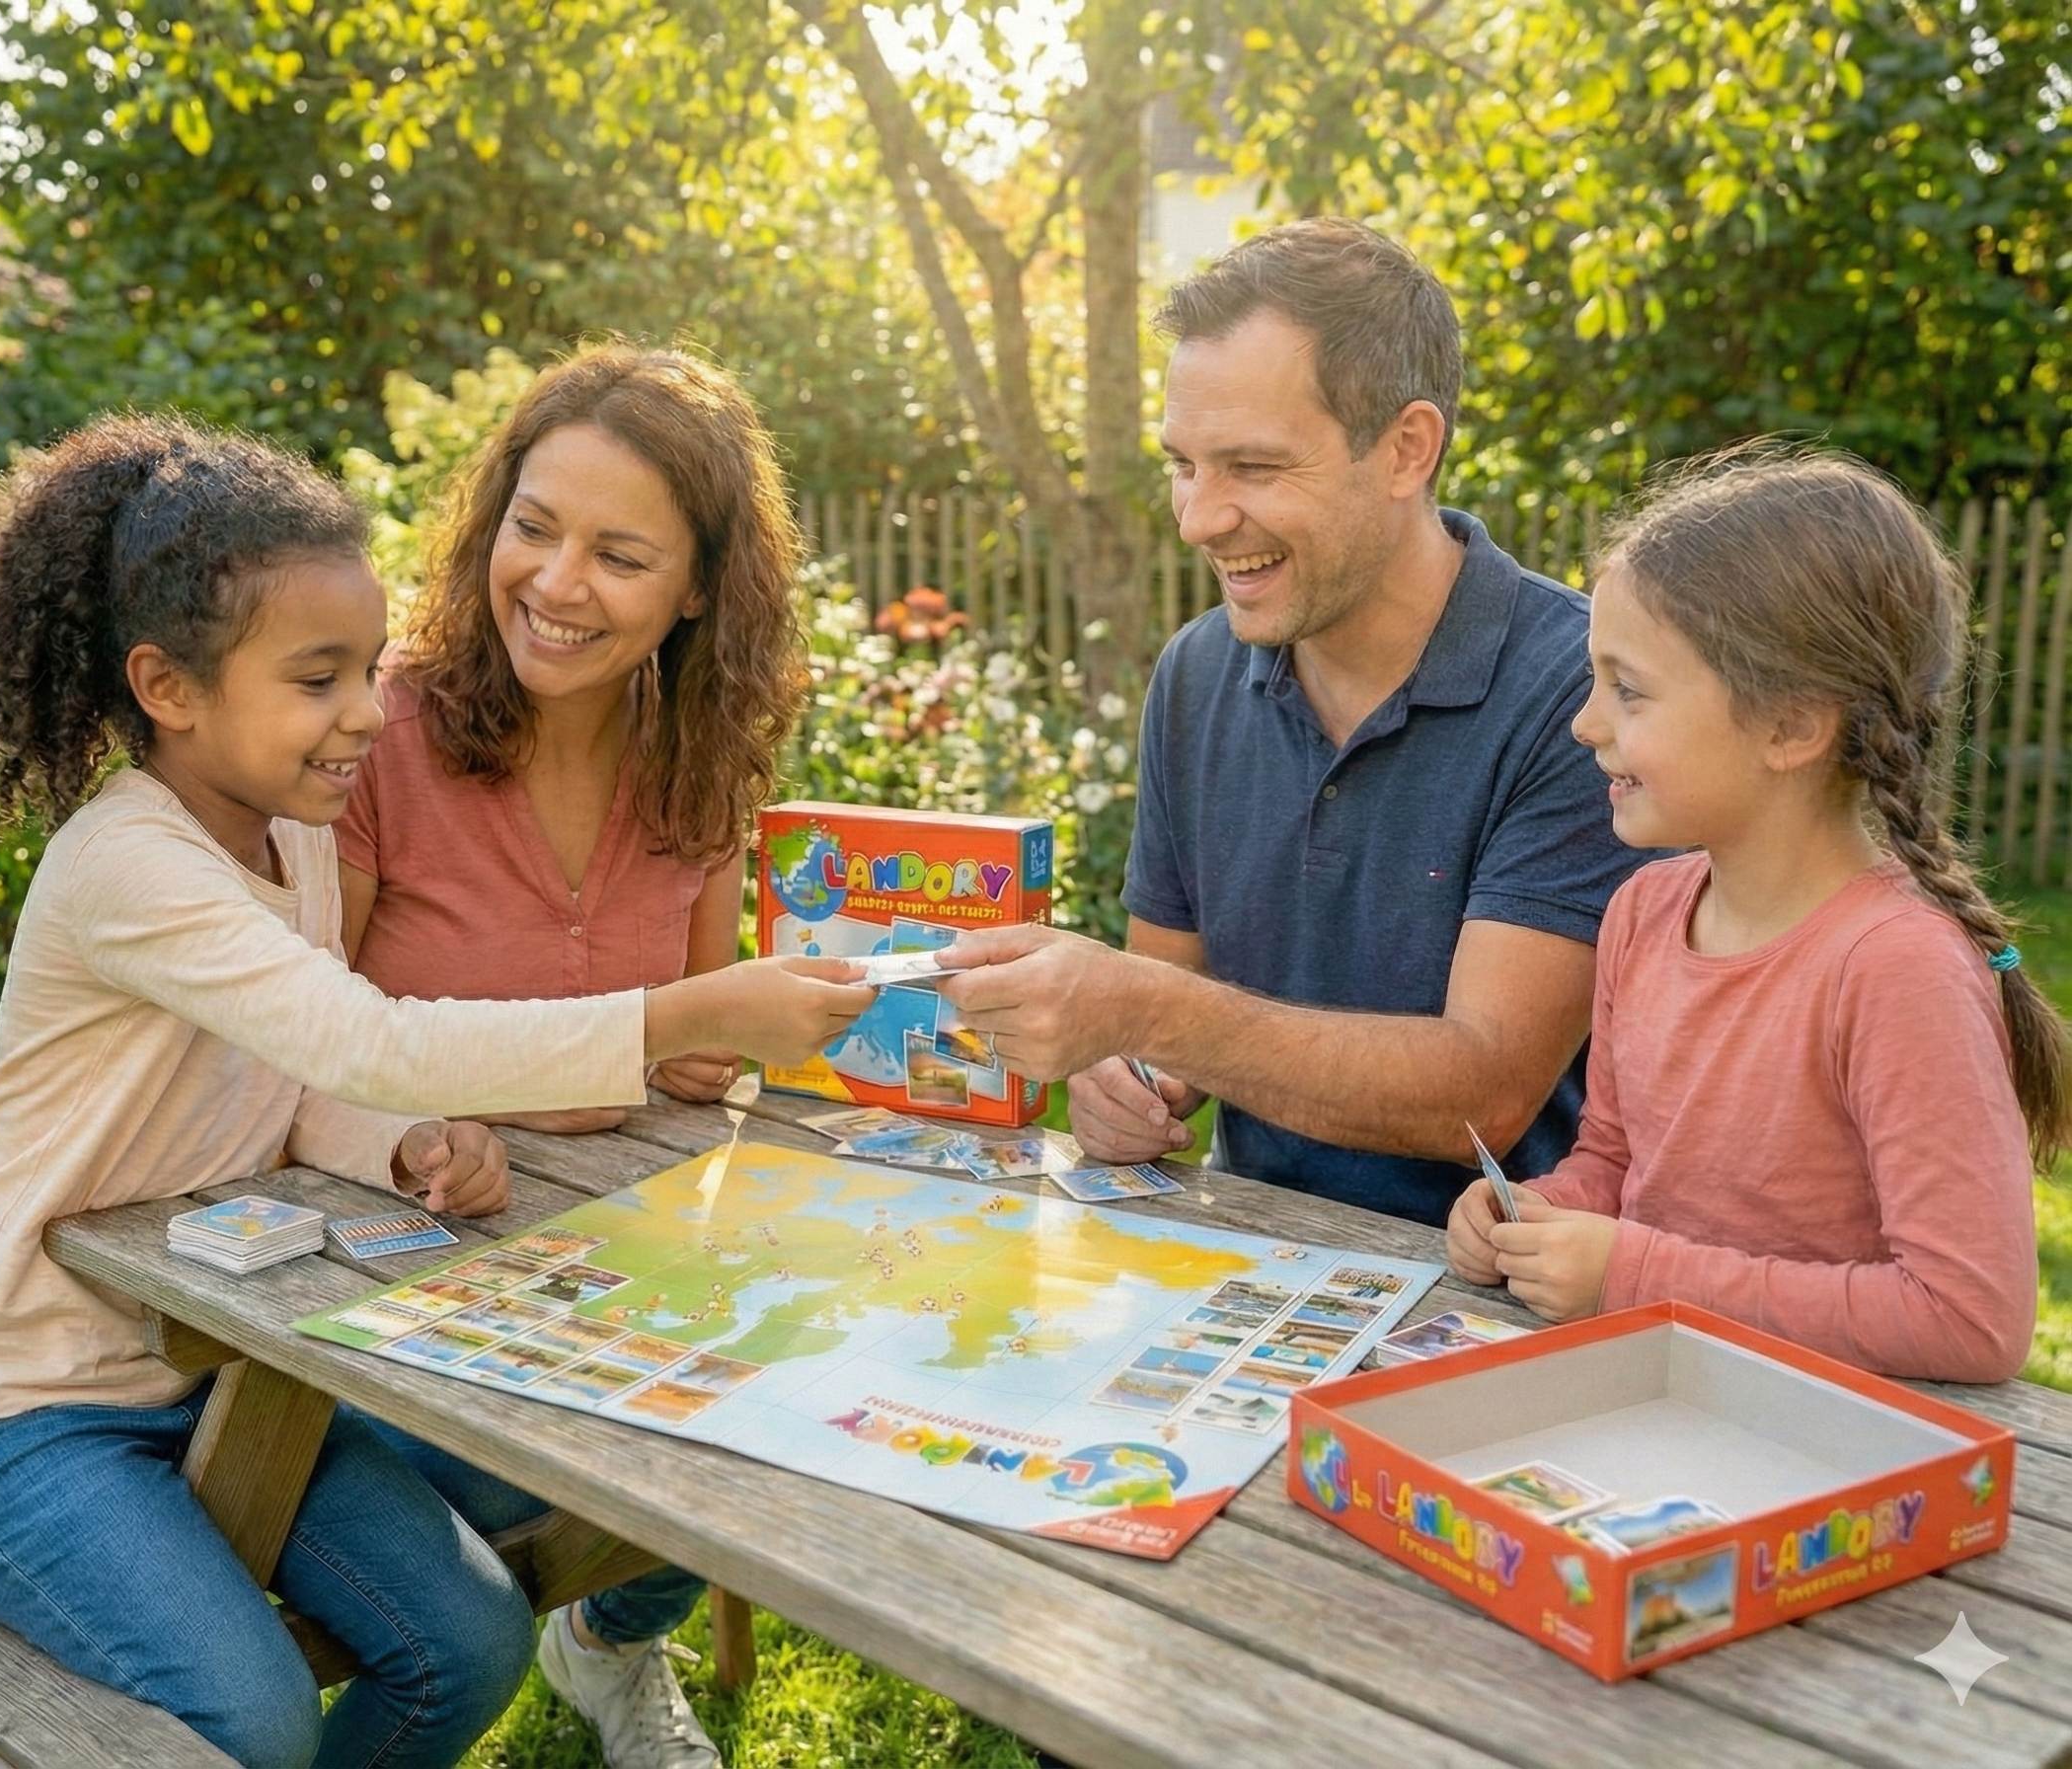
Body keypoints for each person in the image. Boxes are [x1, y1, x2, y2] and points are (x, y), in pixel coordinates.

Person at [0, 413, 872, 1769]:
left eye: (364, 668)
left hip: (217, 1369)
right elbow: (367, 1039)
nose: (367, 711)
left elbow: (310, 1080)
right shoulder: (130, 865)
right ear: (168, 686)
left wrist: (404, 1148)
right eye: (321, 679)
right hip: (13, 1409)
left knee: (464, 1644)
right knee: (253, 1715)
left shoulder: (286, 837)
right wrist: (682, 1016)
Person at [939, 218, 1646, 1225]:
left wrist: (1145, 1011)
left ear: (1406, 449)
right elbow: (1161, 1023)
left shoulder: (1577, 690)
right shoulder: (1196, 672)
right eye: (1182, 463)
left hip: (1507, 1293)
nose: (1197, 518)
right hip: (1248, 1266)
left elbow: (1480, 1096)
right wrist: (1121, 1076)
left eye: (1253, 469)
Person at [334, 345, 804, 1764]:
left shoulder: (702, 752)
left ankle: (603, 1641)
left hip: (621, 1252)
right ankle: (556, 1595)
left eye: (618, 554)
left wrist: (703, 1065)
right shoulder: (379, 732)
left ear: (699, 588)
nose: (554, 582)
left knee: (791, 1428)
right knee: (666, 1466)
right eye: (533, 528)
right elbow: (296, 1043)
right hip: (398, 1256)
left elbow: (690, 1030)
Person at [1446, 449, 2057, 1382]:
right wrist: (1536, 1212)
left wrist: (1631, 1272)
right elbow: (1615, 1157)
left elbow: (1969, 1319)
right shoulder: (1642, 913)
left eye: (1630, 690)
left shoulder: (1896, 970)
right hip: (1659, 1401)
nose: (1585, 724)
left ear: (1789, 727)